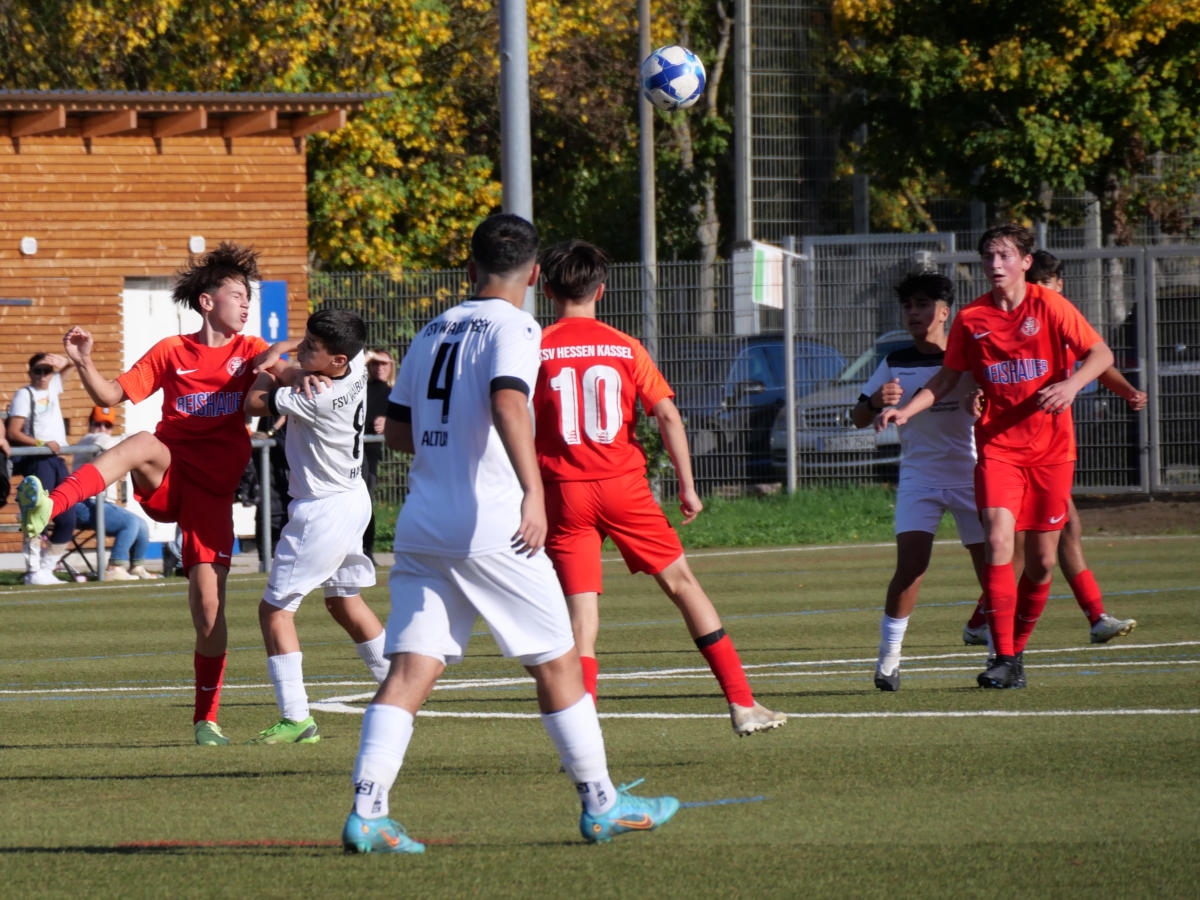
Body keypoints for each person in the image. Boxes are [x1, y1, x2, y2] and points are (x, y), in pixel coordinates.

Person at [342, 214, 678, 854]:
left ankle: (369, 810)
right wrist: (532, 492)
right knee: (557, 661)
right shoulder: (519, 326)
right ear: (533, 276)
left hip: (423, 524)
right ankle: (603, 804)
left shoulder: (432, 329)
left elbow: (400, 432)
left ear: (469, 269)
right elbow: (506, 402)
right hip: (491, 523)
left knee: (411, 668)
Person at [17, 242, 295, 744]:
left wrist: (288, 361)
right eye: (236, 295)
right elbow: (108, 396)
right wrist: (82, 360)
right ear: (208, 302)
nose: (246, 304)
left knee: (209, 609)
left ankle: (206, 719)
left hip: (212, 499)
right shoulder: (172, 350)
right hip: (169, 477)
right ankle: (49, 506)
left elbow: (286, 373)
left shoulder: (252, 351)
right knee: (143, 440)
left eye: (248, 296)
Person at [532, 239, 786, 734]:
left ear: (546, 290)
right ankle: (742, 703)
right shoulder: (625, 345)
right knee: (683, 586)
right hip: (624, 487)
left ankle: (582, 735)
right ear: (601, 291)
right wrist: (688, 486)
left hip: (563, 491)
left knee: (582, 618)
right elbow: (667, 413)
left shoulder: (535, 347)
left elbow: (512, 415)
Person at [876, 224, 1114, 689]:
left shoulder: (1052, 307)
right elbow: (948, 378)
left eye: (1005, 255)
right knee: (999, 543)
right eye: (988, 257)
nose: (995, 264)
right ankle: (1003, 657)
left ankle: (1016, 651)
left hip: (1051, 451)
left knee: (1043, 562)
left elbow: (1100, 354)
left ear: (1026, 262)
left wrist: (1070, 385)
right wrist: (906, 410)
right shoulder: (973, 317)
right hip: (997, 450)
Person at [961, 250, 1141, 647]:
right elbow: (975, 370)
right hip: (1011, 450)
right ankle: (990, 628)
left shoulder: (1056, 314)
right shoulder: (1002, 318)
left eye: (1048, 285)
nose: (1039, 294)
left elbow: (1098, 360)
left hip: (1050, 450)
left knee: (1052, 541)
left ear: (1058, 285)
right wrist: (973, 389)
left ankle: (1086, 618)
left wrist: (1125, 390)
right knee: (1022, 546)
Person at [243, 308, 390, 744]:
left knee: (274, 610)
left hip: (321, 510)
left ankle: (297, 718)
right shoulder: (358, 362)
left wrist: (271, 368)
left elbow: (253, 403)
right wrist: (289, 354)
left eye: (313, 348)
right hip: (352, 497)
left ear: (337, 361)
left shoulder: (319, 396)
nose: (303, 350)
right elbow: (304, 358)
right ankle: (397, 688)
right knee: (344, 601)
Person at [848, 272, 987, 691]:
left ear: (946, 312)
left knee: (991, 571)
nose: (914, 313)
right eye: (908, 306)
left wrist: (982, 404)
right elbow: (857, 417)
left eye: (923, 304)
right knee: (910, 568)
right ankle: (888, 662)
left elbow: (998, 402)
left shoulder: (970, 357)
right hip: (919, 478)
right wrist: (876, 401)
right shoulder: (895, 361)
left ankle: (1002, 655)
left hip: (971, 475)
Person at [7, 352, 78, 585]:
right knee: (37, 516)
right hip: (38, 459)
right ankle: (33, 570)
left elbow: (73, 365)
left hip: (56, 459)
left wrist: (64, 361)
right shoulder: (24, 394)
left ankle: (47, 568)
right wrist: (41, 443)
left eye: (47, 370)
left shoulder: (53, 387)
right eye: (38, 370)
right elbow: (14, 431)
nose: (42, 375)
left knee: (68, 516)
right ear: (30, 372)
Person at [71, 406, 161, 580]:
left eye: (107, 425)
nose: (103, 429)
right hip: (83, 504)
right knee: (130, 523)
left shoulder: (111, 442)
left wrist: (141, 442)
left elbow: (117, 444)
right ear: (90, 425)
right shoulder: (89, 439)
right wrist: (141, 442)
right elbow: (106, 442)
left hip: (102, 503)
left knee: (142, 524)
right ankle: (115, 567)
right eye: (98, 424)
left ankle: (137, 567)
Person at [361, 347, 395, 564]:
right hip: (349, 453)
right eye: (375, 363)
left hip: (370, 456)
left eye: (384, 363)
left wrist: (388, 423)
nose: (379, 368)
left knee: (366, 502)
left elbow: (407, 420)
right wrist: (370, 356)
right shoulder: (360, 387)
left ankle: (367, 550)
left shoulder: (395, 392)